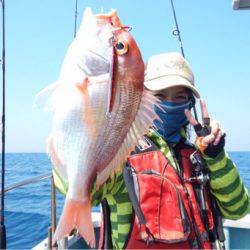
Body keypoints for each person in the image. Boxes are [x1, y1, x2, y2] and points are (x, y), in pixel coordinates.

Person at [53, 52, 249, 249]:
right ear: (140, 98)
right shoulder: (123, 153)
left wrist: (216, 156)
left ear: (190, 104)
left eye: (179, 97)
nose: (170, 104)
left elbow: (238, 209)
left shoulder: (200, 154)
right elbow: (83, 189)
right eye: (159, 96)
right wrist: (78, 127)